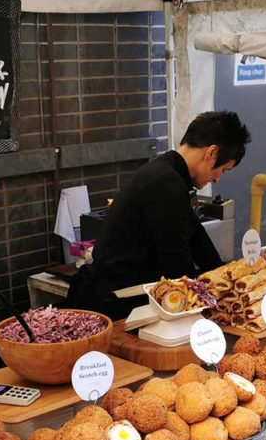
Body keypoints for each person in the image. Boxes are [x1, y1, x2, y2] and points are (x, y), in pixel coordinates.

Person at [67, 111, 250, 319]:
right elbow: (177, 265)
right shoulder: (166, 183)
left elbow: (196, 238)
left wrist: (227, 279)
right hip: (117, 304)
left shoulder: (168, 173)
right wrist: (205, 304)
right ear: (212, 153)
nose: (218, 179)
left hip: (125, 295)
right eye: (224, 170)